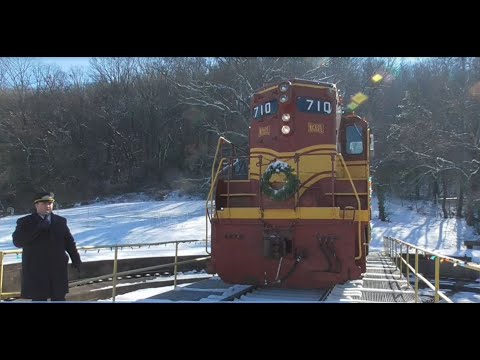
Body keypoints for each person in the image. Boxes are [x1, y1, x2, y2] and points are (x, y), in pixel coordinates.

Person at [12, 192, 82, 301]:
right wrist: (37, 229)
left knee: (58, 297)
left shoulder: (60, 221)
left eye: (50, 203)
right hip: (37, 271)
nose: (48, 206)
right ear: (36, 205)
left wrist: (76, 259)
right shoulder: (25, 222)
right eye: (44, 203)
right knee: (39, 298)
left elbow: (69, 242)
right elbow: (18, 242)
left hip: (57, 270)